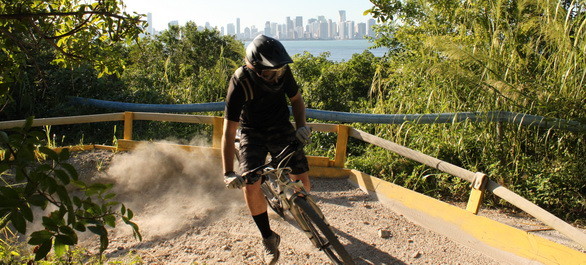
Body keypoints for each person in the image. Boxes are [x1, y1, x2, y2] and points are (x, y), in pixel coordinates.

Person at [221, 34, 312, 265]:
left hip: (280, 125)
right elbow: (228, 131)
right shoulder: (240, 82)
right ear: (255, 69)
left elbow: (297, 101)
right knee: (251, 185)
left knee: (301, 175)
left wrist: (301, 127)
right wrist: (228, 172)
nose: (275, 77)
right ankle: (268, 238)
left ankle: (305, 210)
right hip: (252, 131)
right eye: (270, 73)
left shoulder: (282, 72)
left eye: (279, 72)